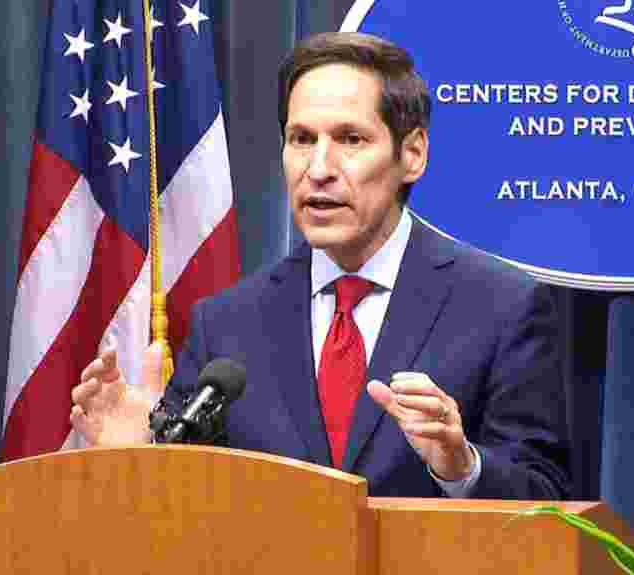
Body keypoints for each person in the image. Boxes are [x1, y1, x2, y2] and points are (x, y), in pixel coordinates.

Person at [70, 31, 570, 499]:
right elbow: (191, 506)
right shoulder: (226, 324)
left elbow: (547, 501)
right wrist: (140, 453)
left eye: (350, 139)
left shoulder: (501, 307)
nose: (319, 168)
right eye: (302, 139)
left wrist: (462, 467)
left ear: (412, 154)